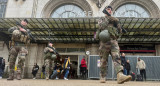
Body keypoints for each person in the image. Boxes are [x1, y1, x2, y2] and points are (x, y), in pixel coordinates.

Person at [95, 6, 131, 84]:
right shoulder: (102, 19)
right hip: (104, 42)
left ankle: (120, 75)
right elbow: (102, 26)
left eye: (111, 10)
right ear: (105, 11)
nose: (110, 11)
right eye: (108, 9)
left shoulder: (114, 20)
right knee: (103, 60)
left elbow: (120, 31)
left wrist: (118, 24)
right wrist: (109, 18)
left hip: (114, 41)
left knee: (117, 58)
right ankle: (103, 76)